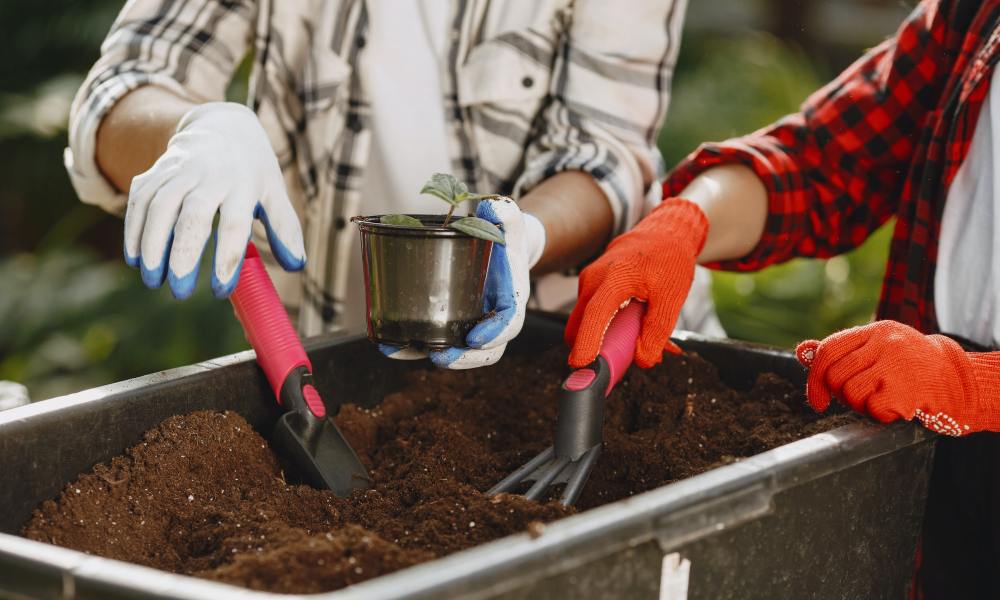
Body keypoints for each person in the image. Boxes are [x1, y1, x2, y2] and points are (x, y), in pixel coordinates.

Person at [566, 0, 999, 595]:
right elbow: (825, 160)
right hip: (930, 440)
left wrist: (975, 386)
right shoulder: (975, 18)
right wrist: (687, 219)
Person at [65, 0, 720, 370]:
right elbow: (124, 82)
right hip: (339, 354)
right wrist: (199, 129)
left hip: (572, 354)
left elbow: (604, 150)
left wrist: (517, 237)